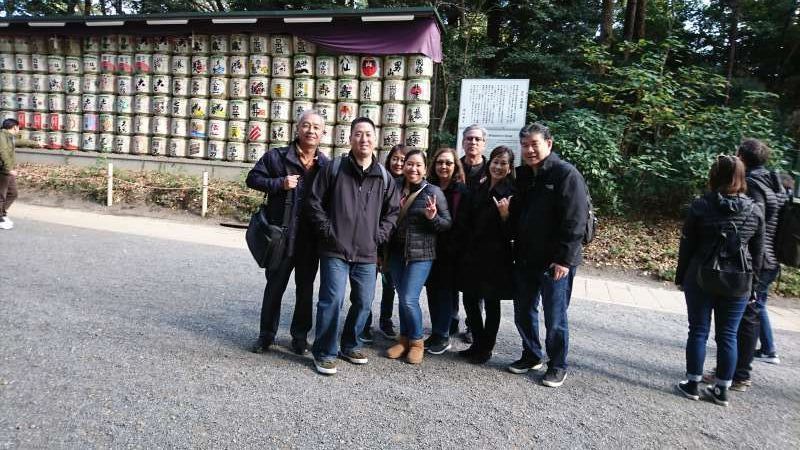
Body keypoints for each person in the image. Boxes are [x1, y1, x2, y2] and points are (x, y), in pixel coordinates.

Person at [306, 117, 400, 375]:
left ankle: (351, 343)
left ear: (376, 139)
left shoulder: (383, 176)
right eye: (358, 134)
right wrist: (328, 230)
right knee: (332, 300)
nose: (364, 139)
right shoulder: (335, 168)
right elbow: (314, 202)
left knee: (363, 302)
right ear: (350, 138)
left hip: (367, 252)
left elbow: (392, 212)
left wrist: (378, 236)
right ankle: (325, 351)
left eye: (368, 134)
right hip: (334, 249)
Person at [675, 155, 764, 406]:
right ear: (741, 177)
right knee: (728, 335)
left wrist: (681, 276)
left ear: (714, 175)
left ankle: (692, 383)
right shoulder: (754, 209)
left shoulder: (701, 205)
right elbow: (757, 252)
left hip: (701, 274)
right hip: (739, 279)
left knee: (699, 331)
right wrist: (754, 285)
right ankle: (722, 389)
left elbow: (688, 245)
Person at [508, 122, 588, 388]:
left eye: (534, 144)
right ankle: (532, 354)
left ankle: (557, 364)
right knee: (523, 311)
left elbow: (575, 222)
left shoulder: (566, 175)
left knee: (555, 317)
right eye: (525, 145)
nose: (529, 150)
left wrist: (565, 259)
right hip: (526, 256)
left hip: (556, 261)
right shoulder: (523, 176)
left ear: (549, 144)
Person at [245, 110, 330, 355]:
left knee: (305, 291)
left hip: (309, 240)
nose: (311, 131)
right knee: (274, 287)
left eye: (316, 127)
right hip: (281, 237)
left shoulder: (325, 165)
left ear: (323, 133)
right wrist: (279, 183)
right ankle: (266, 335)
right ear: (297, 128)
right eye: (306, 125)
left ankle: (300, 338)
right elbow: (252, 179)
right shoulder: (277, 157)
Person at [384, 149, 451, 364]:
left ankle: (416, 341)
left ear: (425, 168)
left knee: (409, 298)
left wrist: (432, 218)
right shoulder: (393, 187)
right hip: (395, 252)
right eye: (409, 164)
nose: (413, 168)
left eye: (418, 165)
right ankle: (403, 340)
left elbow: (446, 223)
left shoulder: (433, 191)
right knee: (402, 296)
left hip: (421, 254)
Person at [456, 146, 516, 364]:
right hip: (472, 253)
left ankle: (486, 347)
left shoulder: (511, 192)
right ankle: (477, 342)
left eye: (503, 163)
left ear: (510, 168)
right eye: (495, 162)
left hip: (495, 257)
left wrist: (505, 216)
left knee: (491, 303)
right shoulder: (479, 185)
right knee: (470, 298)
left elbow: (514, 231)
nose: (498, 167)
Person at [736, 139, 788, 371]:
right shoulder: (773, 181)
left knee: (751, 307)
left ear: (743, 157)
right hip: (772, 254)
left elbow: (754, 219)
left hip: (761, 256)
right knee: (759, 303)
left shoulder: (755, 183)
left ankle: (741, 368)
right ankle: (767, 348)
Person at [424, 147, 469, 355]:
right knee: (433, 291)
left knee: (443, 292)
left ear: (455, 166)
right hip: (429, 247)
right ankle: (438, 331)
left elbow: (463, 222)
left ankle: (442, 335)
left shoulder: (461, 191)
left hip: (451, 250)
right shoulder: (428, 188)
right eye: (440, 162)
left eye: (449, 163)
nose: (444, 166)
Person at [362, 144, 407, 341]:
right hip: (373, 240)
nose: (398, 163)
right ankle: (364, 322)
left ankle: (386, 320)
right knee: (366, 285)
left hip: (393, 244)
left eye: (403, 160)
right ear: (389, 160)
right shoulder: (379, 178)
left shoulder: (410, 184)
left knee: (390, 285)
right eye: (395, 158)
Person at [453, 124, 489, 342]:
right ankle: (451, 320)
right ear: (463, 142)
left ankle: (473, 326)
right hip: (455, 233)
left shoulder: (490, 169)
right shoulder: (455, 167)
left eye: (477, 139)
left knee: (475, 286)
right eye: (468, 139)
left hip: (480, 238)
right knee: (451, 281)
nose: (472, 143)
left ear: (483, 143)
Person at [0, 118, 46, 230]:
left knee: (13, 193)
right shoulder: (1, 137)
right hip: (3, 170)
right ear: (14, 127)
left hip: (7, 170)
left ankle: (2, 213)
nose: (19, 130)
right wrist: (9, 168)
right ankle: (0, 218)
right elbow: (3, 152)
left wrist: (36, 143)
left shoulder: (9, 137)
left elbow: (21, 142)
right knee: (1, 195)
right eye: (18, 128)